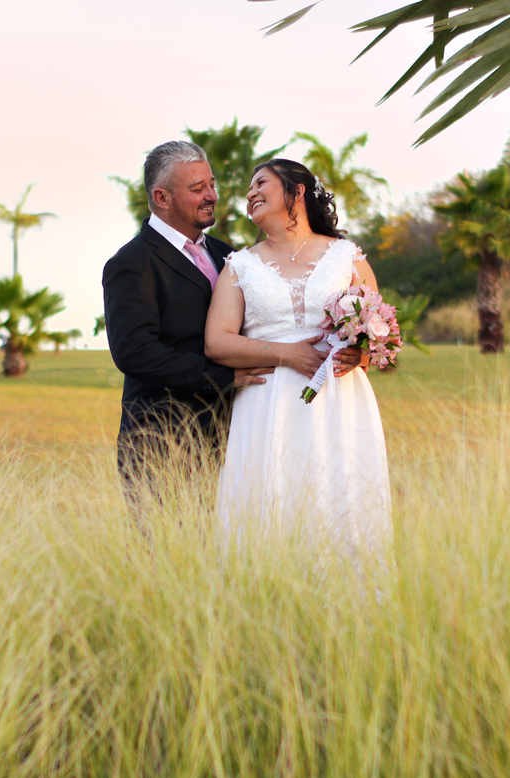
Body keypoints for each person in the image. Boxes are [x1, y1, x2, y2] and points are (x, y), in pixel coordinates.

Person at [102, 142, 332, 500]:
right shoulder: (132, 263)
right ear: (161, 197)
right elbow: (135, 353)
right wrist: (224, 377)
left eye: (211, 184)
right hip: (165, 442)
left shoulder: (229, 255)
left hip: (241, 433)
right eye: (198, 189)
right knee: (171, 553)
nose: (212, 195)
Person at [205, 158, 392, 559]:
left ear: (298, 191)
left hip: (340, 404)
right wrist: (286, 354)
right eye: (249, 188)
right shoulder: (240, 266)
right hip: (267, 404)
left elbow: (384, 333)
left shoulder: (346, 256)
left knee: (341, 501)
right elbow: (216, 342)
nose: (251, 193)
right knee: (270, 501)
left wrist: (359, 354)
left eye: (261, 183)